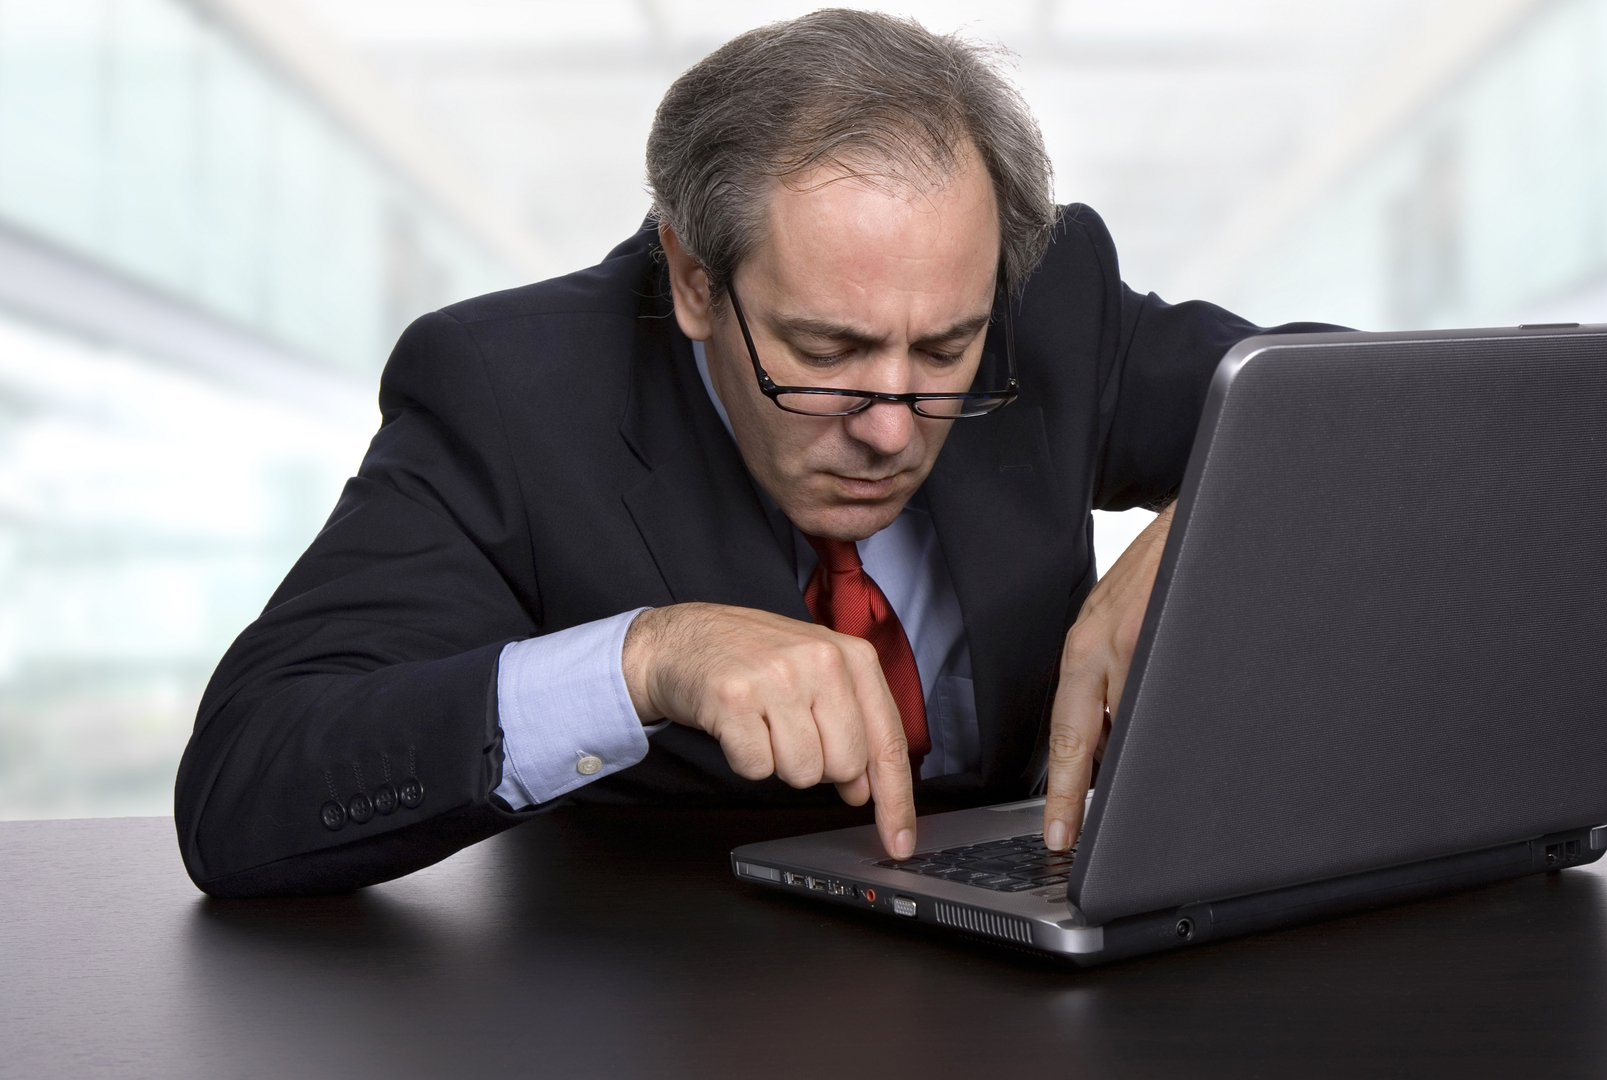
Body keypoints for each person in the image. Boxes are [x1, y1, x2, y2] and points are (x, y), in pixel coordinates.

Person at [174, 9, 1338, 896]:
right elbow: (245, 783)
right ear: (694, 278)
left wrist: (1217, 521)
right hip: (667, 997)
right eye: (825, 351)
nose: (891, 427)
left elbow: (1362, 408)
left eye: (947, 351)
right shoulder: (510, 395)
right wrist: (644, 659)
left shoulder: (1050, 297)